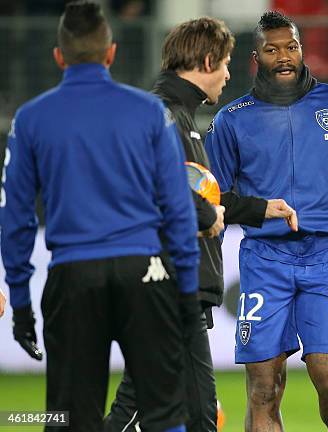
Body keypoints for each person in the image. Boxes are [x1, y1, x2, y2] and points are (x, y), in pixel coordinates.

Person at [0, 2, 200, 431]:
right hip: (145, 273)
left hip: (74, 276)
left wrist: (20, 303)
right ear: (111, 52)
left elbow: (15, 216)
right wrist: (185, 291)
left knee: (69, 419)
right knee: (165, 414)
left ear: (59, 55)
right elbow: (178, 207)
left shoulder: (31, 119)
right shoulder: (149, 113)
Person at [105, 17, 297, 432]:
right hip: (167, 287)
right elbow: (163, 195)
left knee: (192, 415)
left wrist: (262, 208)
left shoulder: (179, 118)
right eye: (226, 62)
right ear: (208, 61)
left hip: (179, 289)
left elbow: (199, 199)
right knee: (152, 412)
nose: (229, 74)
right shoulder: (163, 117)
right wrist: (207, 216)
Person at [205, 11, 328, 432]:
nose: (284, 57)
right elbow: (211, 201)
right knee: (263, 390)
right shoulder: (233, 119)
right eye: (272, 50)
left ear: (302, 50)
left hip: (325, 258)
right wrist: (208, 272)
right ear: (256, 57)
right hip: (264, 261)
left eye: (291, 47)